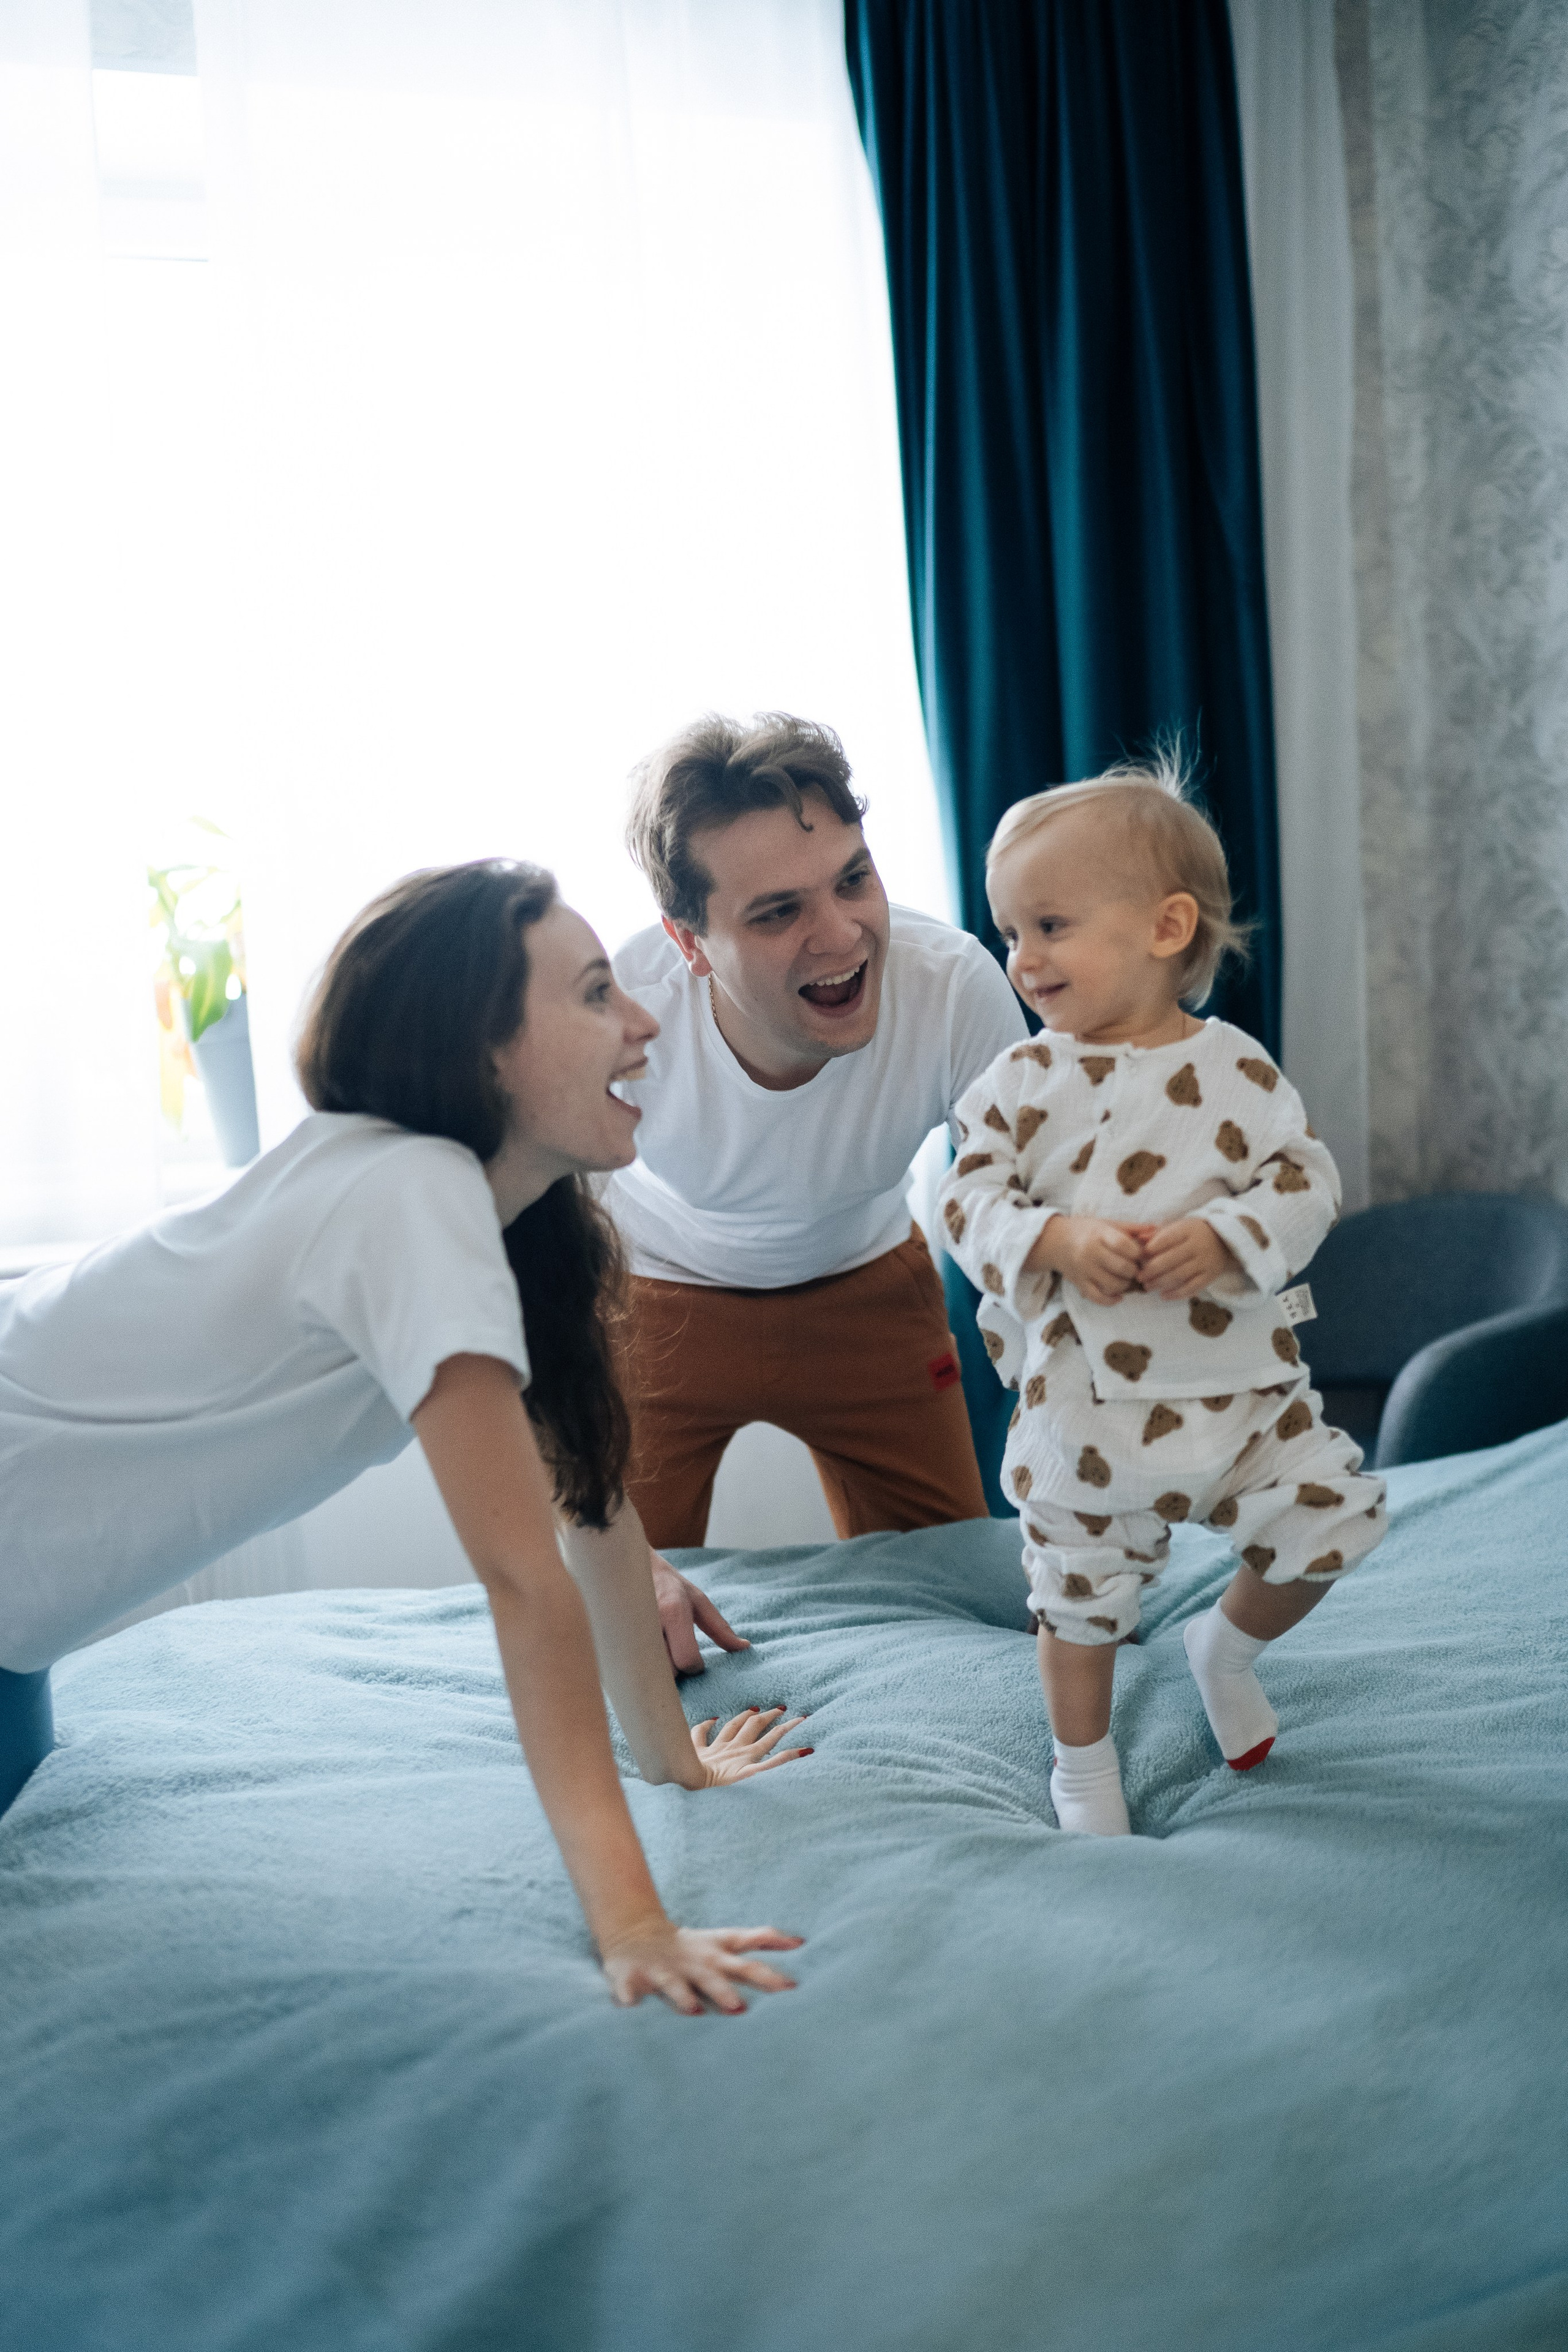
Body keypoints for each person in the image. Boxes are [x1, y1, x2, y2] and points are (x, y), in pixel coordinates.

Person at [0, 861, 814, 2015]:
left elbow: (590, 1509)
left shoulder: (502, 1221)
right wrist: (636, 1927)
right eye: (595, 994)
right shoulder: (408, 1192)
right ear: (482, 1048)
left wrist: (675, 1762)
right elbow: (525, 1584)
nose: (644, 1023)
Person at [937, 757, 1387, 1837]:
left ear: (1166, 926)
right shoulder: (1017, 1085)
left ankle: (1223, 1648)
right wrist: (1054, 1236)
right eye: (1010, 933)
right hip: (1086, 1404)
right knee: (1080, 1598)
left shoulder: (1237, 1070)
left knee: (1334, 1518)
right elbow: (966, 1202)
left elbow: (1306, 1181)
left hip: (1240, 1389)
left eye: (1050, 926)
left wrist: (1230, 1235)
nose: (1022, 957)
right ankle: (1083, 1766)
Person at [607, 712, 1028, 1668]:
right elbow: (532, 1244)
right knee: (625, 1624)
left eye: (852, 880)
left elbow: (1030, 1216)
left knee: (966, 1607)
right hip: (654, 1299)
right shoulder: (622, 1012)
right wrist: (612, 1549)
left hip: (866, 1289)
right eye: (776, 913)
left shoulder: (953, 985)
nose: (840, 936)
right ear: (689, 942)